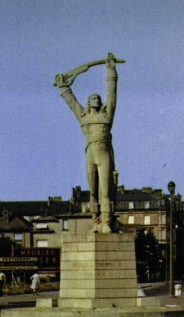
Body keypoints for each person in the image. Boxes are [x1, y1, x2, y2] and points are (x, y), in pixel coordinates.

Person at [56, 53, 119, 234]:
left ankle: (106, 221)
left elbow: (112, 95)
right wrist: (62, 85)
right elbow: (71, 102)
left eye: (98, 99)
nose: (97, 100)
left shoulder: (107, 115)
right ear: (89, 103)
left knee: (105, 190)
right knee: (92, 191)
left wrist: (111, 71)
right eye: (93, 99)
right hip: (90, 153)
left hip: (104, 153)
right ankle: (95, 220)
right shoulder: (83, 116)